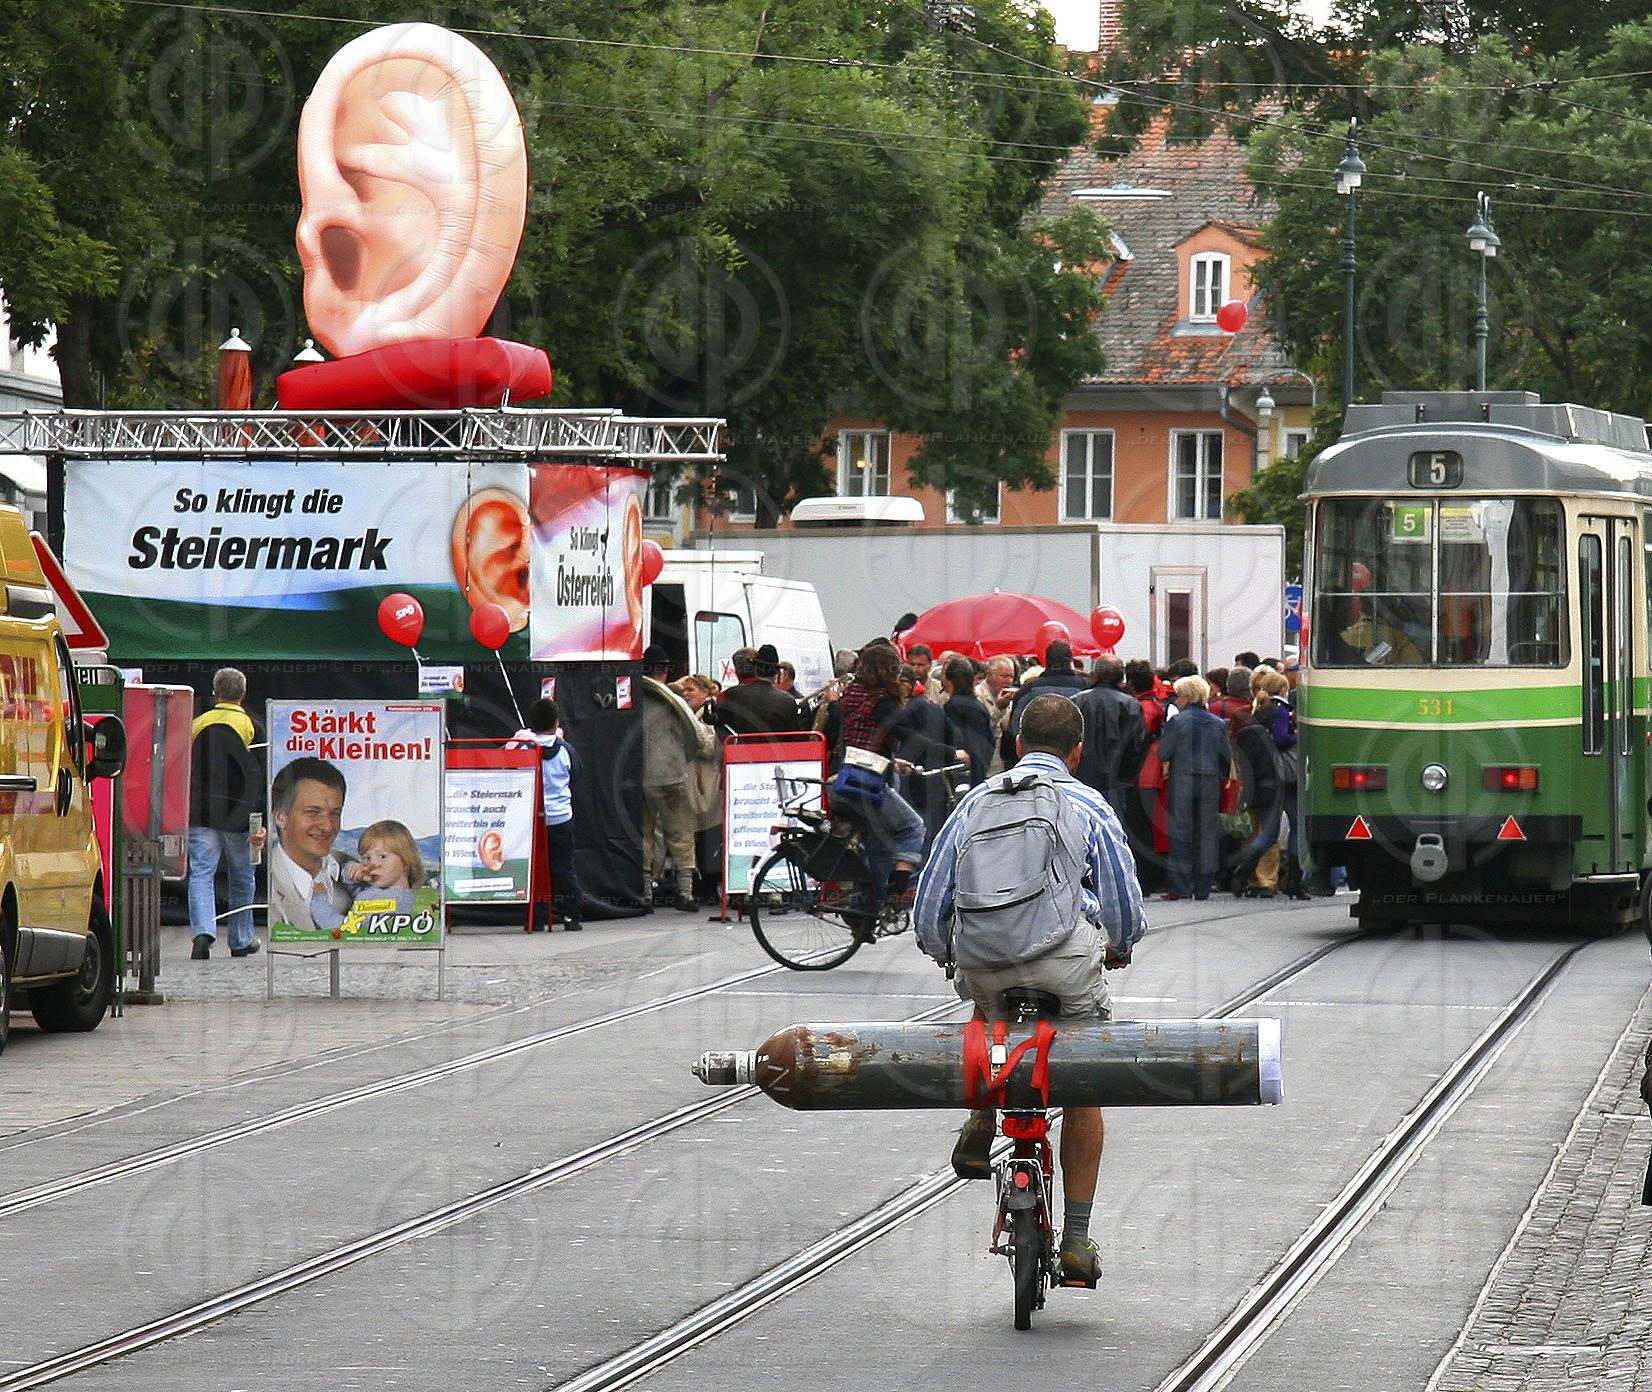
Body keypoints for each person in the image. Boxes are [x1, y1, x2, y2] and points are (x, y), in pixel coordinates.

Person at [913, 693, 1146, 1284]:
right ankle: (1075, 1239)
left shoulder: (973, 804)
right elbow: (1123, 905)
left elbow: (929, 904)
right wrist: (1118, 944)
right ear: (1077, 751)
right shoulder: (1088, 804)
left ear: (1015, 745)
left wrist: (948, 953)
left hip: (984, 964)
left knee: (986, 1010)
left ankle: (981, 1120)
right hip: (1063, 969)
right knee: (1085, 1082)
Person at [818, 641, 926, 922]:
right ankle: (899, 886)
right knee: (913, 826)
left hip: (843, 780)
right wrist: (949, 751)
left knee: (876, 846)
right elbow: (905, 733)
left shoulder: (850, 694)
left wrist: (892, 760)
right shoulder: (883, 700)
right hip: (867, 786)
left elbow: (852, 738)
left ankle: (864, 914)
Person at [187, 667, 267, 959]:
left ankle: (202, 933)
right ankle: (241, 939)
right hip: (239, 815)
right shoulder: (252, 726)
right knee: (243, 877)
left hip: (200, 812)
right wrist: (261, 820)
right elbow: (260, 776)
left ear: (215, 693)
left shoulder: (196, 724)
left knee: (201, 873)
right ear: (243, 694)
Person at [641, 645, 716, 911]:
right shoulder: (674, 702)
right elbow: (697, 735)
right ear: (665, 670)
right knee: (681, 834)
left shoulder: (633, 698)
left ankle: (645, 893)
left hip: (640, 778)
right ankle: (685, 894)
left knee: (644, 836)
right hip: (672, 775)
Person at [1155, 676, 1230, 901]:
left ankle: (1179, 886)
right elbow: (1225, 756)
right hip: (1209, 780)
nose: (1177, 700)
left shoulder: (1177, 722)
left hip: (1183, 778)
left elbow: (1164, 753)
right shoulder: (1218, 723)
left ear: (1187, 696)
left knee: (1180, 832)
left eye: (1179, 695)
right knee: (1207, 834)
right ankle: (1203, 887)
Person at [514, 697, 582, 931]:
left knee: (533, 869)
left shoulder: (521, 748)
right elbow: (577, 777)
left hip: (531, 820)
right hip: (561, 818)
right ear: (556, 723)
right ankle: (572, 916)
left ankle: (537, 918)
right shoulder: (566, 750)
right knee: (563, 867)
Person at [267, 756, 354, 934]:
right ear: (280, 817)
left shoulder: (353, 873)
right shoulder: (267, 880)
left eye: (335, 814)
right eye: (313, 812)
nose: (327, 826)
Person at [1071, 655, 1148, 824]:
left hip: (1081, 779)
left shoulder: (1077, 701)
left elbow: (1067, 740)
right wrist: (1127, 777)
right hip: (1116, 782)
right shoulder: (1131, 705)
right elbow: (1138, 746)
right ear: (1121, 677)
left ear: (1095, 675)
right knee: (1114, 833)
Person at [312, 819, 424, 929]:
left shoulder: (387, 902)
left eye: (382, 856)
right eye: (367, 857)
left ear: (405, 862)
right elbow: (359, 892)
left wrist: (319, 900)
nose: (372, 864)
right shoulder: (385, 891)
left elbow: (346, 928)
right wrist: (352, 874)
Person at [1001, 639, 1089, 766]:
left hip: (1032, 765)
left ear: (1046, 660)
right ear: (1071, 661)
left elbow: (1014, 730)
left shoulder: (1027, 690)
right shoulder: (1086, 688)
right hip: (1077, 765)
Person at [714, 644, 803, 737]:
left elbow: (720, 726)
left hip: (742, 750)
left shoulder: (732, 694)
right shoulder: (787, 701)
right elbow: (795, 738)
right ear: (777, 673)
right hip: (777, 751)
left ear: (756, 669)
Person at [941, 656, 993, 787]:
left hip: (960, 773)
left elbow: (952, 738)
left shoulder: (952, 707)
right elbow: (990, 739)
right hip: (980, 769)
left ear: (949, 680)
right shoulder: (980, 706)